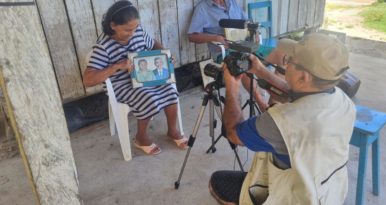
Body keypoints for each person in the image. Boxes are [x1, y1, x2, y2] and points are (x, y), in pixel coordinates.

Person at [208, 33, 356, 205]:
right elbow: (300, 99)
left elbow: (233, 133)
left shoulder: (283, 121)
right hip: (330, 192)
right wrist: (260, 71)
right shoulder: (343, 101)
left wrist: (232, 88)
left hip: (293, 198)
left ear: (304, 77)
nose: (284, 64)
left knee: (217, 181)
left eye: (289, 60)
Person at [83, 0, 188, 155]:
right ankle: (141, 138)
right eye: (127, 30)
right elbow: (88, 80)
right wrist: (116, 66)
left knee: (170, 91)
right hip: (121, 84)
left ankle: (172, 131)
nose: (132, 33)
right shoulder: (103, 47)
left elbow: (153, 44)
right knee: (148, 97)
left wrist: (165, 54)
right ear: (113, 25)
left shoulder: (138, 32)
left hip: (144, 76)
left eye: (134, 28)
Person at [188, 0, 269, 111]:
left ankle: (275, 100)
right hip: (225, 51)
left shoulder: (232, 3)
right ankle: (262, 104)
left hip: (245, 45)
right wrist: (214, 38)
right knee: (242, 66)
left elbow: (247, 21)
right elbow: (192, 36)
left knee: (280, 54)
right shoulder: (202, 8)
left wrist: (254, 32)